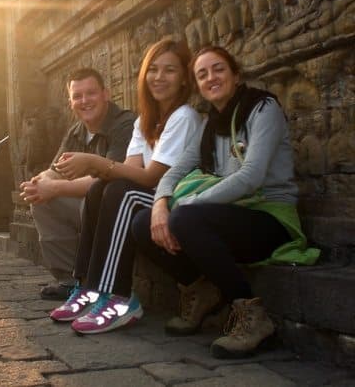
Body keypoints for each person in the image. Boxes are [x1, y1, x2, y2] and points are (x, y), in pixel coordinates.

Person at [131, 46, 320, 358]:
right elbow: (176, 170)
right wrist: (160, 206)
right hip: (229, 216)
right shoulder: (210, 124)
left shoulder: (262, 108)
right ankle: (200, 289)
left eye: (218, 69)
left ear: (236, 75)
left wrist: (191, 203)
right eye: (202, 74)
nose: (211, 78)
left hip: (269, 217)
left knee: (186, 218)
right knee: (141, 223)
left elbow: (251, 176)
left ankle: (251, 316)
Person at [49, 38, 202, 334]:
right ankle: (87, 287)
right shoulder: (144, 121)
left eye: (169, 70)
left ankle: (118, 296)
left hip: (176, 203)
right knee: (99, 189)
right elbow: (130, 170)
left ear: (184, 78)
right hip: (149, 195)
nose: (159, 77)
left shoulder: (184, 117)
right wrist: (96, 169)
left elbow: (151, 178)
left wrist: (93, 162)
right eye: (153, 70)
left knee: (122, 192)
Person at [20, 68, 136, 300]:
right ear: (71, 102)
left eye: (91, 93)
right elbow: (56, 169)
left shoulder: (125, 123)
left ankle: (95, 281)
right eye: (77, 96)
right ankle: (70, 280)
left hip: (117, 205)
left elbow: (111, 175)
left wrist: (54, 188)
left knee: (75, 197)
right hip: (89, 202)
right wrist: (39, 182)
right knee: (41, 201)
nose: (84, 101)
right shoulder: (77, 131)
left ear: (106, 94)